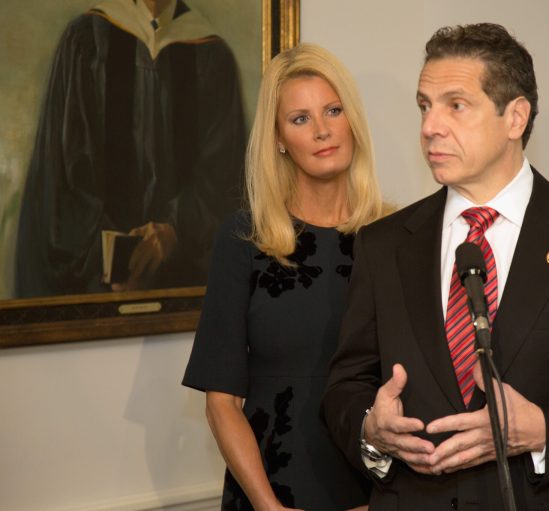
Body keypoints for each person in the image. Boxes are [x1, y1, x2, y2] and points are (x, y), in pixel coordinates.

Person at [322, 23, 549, 510]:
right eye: (424, 106)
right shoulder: (383, 244)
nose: (430, 126)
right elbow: (345, 386)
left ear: (515, 117)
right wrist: (370, 427)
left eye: (456, 105)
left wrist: (541, 431)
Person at [183, 43, 387, 510]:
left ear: (352, 119)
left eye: (333, 111)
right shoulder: (243, 241)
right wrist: (268, 506)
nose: (321, 130)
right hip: (270, 494)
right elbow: (221, 403)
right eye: (300, 119)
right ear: (277, 138)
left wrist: (385, 501)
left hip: (376, 494)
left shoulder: (397, 239)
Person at [15, 0, 245, 297]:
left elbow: (222, 173)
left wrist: (175, 230)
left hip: (182, 289)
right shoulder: (85, 41)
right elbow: (65, 173)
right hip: (94, 286)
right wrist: (115, 255)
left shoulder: (212, 54)